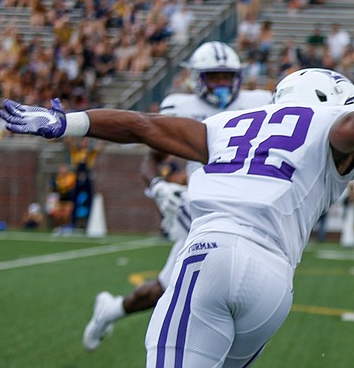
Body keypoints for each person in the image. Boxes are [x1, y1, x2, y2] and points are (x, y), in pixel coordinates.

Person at [2, 53, 354, 367]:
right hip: (273, 283)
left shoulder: (231, 125)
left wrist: (65, 122)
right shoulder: (333, 129)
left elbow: (141, 125)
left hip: (210, 252)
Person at [81, 41, 274, 352]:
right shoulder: (180, 107)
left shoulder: (261, 102)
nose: (222, 84)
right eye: (214, 77)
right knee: (211, 285)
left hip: (248, 203)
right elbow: (151, 159)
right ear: (196, 78)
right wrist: (157, 185)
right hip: (204, 208)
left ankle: (112, 310)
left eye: (227, 77)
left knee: (167, 286)